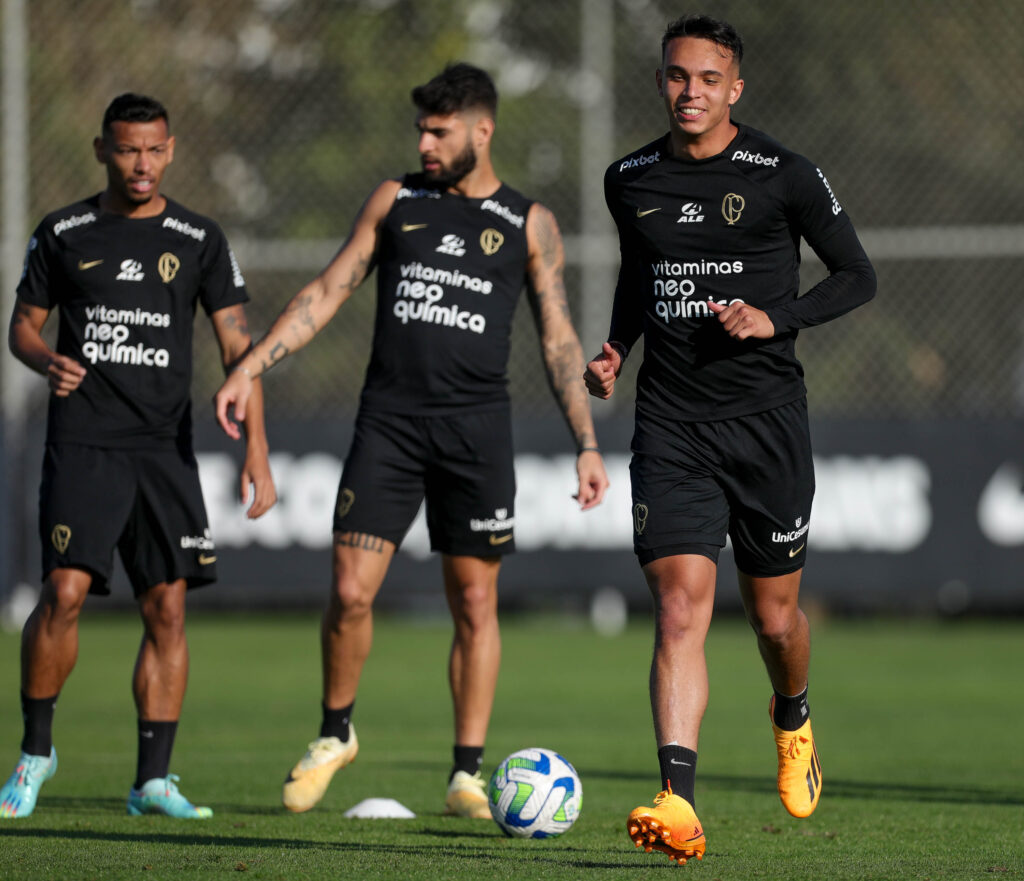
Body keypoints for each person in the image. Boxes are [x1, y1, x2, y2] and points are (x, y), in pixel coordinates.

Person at [214, 62, 609, 817]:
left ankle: (467, 771)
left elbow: (558, 339)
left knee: (473, 601)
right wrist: (249, 368)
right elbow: (326, 291)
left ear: (481, 131)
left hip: (476, 433)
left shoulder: (529, 222)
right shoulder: (397, 201)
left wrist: (586, 442)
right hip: (389, 426)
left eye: (440, 130)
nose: (425, 142)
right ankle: (334, 732)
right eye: (420, 129)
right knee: (348, 590)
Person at [584, 15, 876, 864]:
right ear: (663, 80)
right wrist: (615, 348)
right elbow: (644, 274)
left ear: (734, 88)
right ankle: (678, 798)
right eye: (678, 76)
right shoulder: (627, 177)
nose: (690, 92)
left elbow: (858, 275)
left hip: (767, 424)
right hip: (671, 424)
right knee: (679, 610)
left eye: (708, 79)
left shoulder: (784, 174)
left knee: (776, 618)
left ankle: (793, 715)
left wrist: (775, 317)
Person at [0, 93, 276, 820]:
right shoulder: (63, 232)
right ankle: (34, 753)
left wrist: (259, 453)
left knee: (168, 608)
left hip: (164, 448)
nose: (142, 163)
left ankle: (152, 779)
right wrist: (44, 361)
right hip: (84, 441)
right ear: (102, 151)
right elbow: (22, 328)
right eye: (127, 149)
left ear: (172, 149)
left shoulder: (199, 238)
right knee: (61, 594)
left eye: (154, 149)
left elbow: (239, 351)